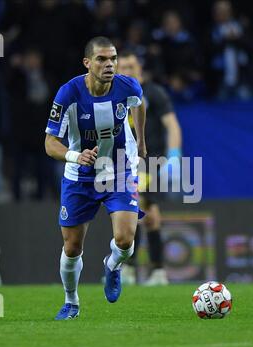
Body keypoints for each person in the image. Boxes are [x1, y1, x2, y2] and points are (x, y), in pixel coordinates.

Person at [45, 37, 146, 320]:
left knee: (125, 241)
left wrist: (141, 140)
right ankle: (71, 302)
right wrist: (76, 156)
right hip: (80, 176)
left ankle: (112, 266)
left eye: (112, 58)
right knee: (72, 247)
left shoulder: (128, 86)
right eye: (102, 59)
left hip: (119, 170)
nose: (109, 64)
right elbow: (49, 142)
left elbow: (139, 104)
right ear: (87, 63)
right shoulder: (69, 93)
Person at [117, 51, 182, 286]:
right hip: (121, 162)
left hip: (148, 160)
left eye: (131, 66)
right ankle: (152, 270)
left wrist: (174, 155)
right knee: (143, 213)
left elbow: (172, 125)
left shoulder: (153, 93)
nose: (127, 71)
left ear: (139, 68)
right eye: (122, 67)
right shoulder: (113, 95)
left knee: (139, 208)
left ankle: (136, 269)